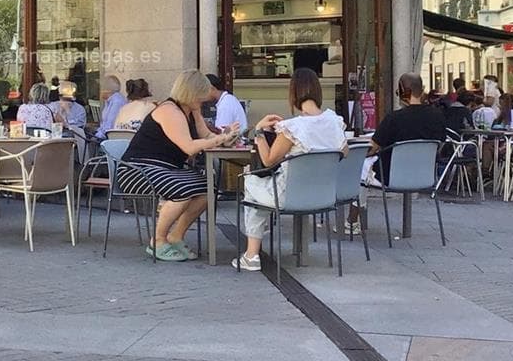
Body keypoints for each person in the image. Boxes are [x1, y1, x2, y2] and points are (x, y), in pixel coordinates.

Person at [116, 70, 240, 262]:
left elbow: (205, 136)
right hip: (137, 170)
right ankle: (157, 241)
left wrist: (226, 138)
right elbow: (189, 147)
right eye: (201, 96)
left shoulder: (192, 109)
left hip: (165, 168)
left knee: (207, 189)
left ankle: (175, 236)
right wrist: (220, 139)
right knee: (182, 189)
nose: (205, 100)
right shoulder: (169, 110)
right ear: (191, 93)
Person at [237, 68, 346, 271]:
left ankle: (252, 254)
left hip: (290, 195)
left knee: (251, 180)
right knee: (261, 187)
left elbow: (268, 160)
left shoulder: (293, 127)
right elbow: (344, 153)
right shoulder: (335, 122)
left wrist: (259, 133)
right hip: (323, 195)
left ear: (293, 93)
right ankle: (266, 245)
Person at [368, 73, 447, 189]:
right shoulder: (438, 116)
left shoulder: (393, 118)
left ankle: (359, 207)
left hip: (391, 178)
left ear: (401, 92)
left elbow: (372, 148)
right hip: (426, 177)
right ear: (422, 90)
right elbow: (440, 145)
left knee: (361, 168)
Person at [94, 75, 127, 141]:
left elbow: (110, 126)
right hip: (106, 135)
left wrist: (96, 136)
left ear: (107, 90)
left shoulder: (117, 102)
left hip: (112, 139)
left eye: (101, 88)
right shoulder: (109, 100)